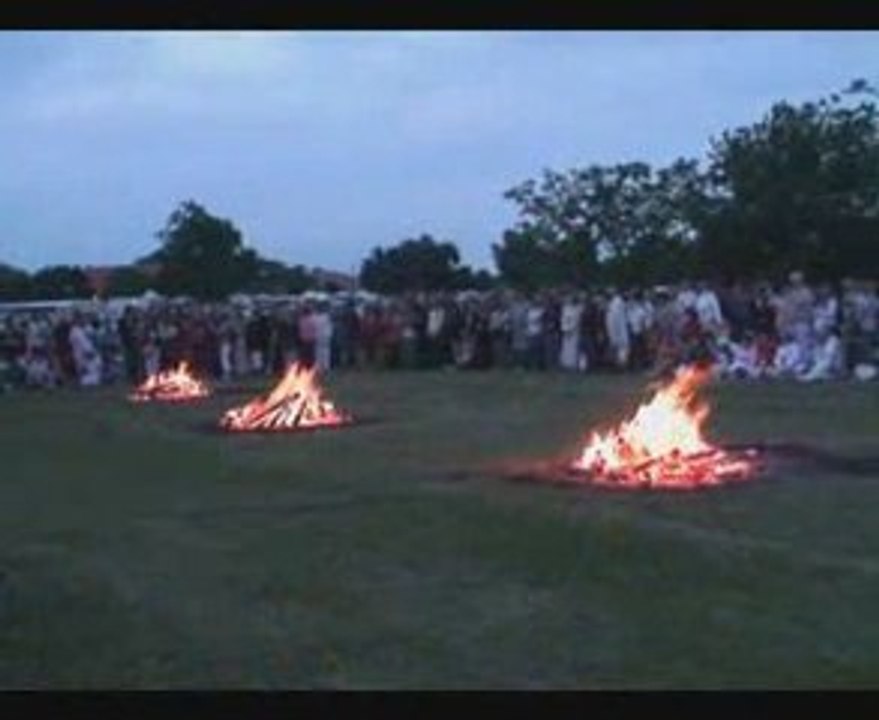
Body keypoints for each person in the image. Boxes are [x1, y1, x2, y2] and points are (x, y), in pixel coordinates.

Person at [605, 288, 630, 370]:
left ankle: (619, 366)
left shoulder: (615, 304)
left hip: (617, 330)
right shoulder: (617, 304)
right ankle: (620, 366)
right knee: (622, 350)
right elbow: (613, 320)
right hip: (619, 330)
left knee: (621, 350)